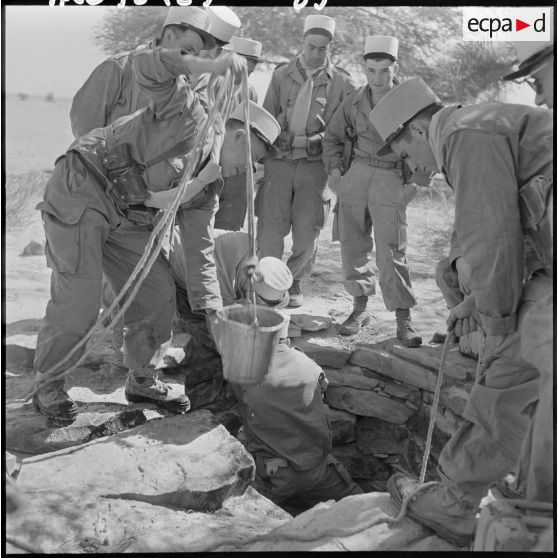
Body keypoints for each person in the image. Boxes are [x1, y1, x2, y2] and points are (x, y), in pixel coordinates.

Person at [32, 38, 257, 426]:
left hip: (130, 213)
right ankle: (49, 383)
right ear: (239, 138)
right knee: (81, 297)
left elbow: (201, 249)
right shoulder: (189, 113)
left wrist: (215, 311)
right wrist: (211, 66)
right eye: (252, 162)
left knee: (156, 291)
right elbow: (149, 68)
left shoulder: (208, 187)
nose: (245, 173)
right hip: (84, 186)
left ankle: (142, 378)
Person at [368, 76, 553, 547]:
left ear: (414, 130)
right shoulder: (480, 128)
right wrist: (477, 302)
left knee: (509, 362)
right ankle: (491, 501)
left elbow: (491, 239)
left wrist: (494, 324)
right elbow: (525, 226)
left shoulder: (464, 134)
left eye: (407, 157)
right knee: (514, 368)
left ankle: (488, 505)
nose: (417, 170)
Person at [322, 36, 422, 344]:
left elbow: (428, 148)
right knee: (353, 246)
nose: (377, 78)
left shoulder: (412, 104)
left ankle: (403, 319)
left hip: (392, 179)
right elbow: (332, 139)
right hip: (356, 176)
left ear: (396, 68)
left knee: (392, 252)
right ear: (363, 69)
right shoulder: (353, 101)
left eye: (384, 71)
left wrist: (415, 185)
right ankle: (359, 309)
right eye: (371, 70)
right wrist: (337, 175)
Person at [257, 14, 356, 308]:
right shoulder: (281, 75)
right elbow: (266, 120)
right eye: (311, 46)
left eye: (322, 49)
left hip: (315, 168)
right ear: (302, 42)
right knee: (271, 229)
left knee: (306, 231)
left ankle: (294, 282)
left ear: (330, 48)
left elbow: (343, 130)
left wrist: (321, 141)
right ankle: (266, 284)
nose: (315, 53)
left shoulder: (341, 82)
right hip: (279, 162)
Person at [230, 310, 363, 510]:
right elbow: (323, 386)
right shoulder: (309, 365)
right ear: (287, 339)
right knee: (364, 506)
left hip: (274, 473)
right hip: (317, 469)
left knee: (250, 523)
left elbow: (243, 405)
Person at [69, 6, 218, 138]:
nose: (190, 59)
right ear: (169, 36)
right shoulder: (120, 67)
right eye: (188, 49)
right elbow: (84, 123)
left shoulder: (186, 85)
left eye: (195, 54)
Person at [214, 37, 262, 231]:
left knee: (228, 231)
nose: (243, 78)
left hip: (235, 176)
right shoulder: (208, 86)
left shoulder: (249, 94)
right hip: (208, 167)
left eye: (248, 73)